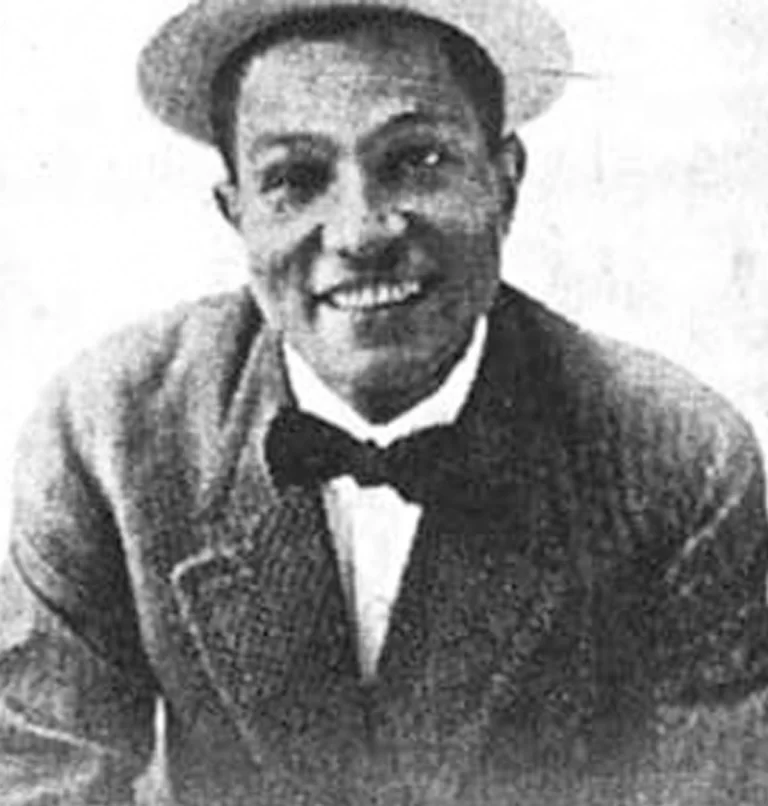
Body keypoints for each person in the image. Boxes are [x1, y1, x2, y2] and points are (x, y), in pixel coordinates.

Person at [1, 0, 767, 803]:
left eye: (418, 159)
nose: (361, 231)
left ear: (504, 183)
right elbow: (40, 774)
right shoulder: (106, 435)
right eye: (294, 180)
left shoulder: (678, 457)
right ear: (237, 214)